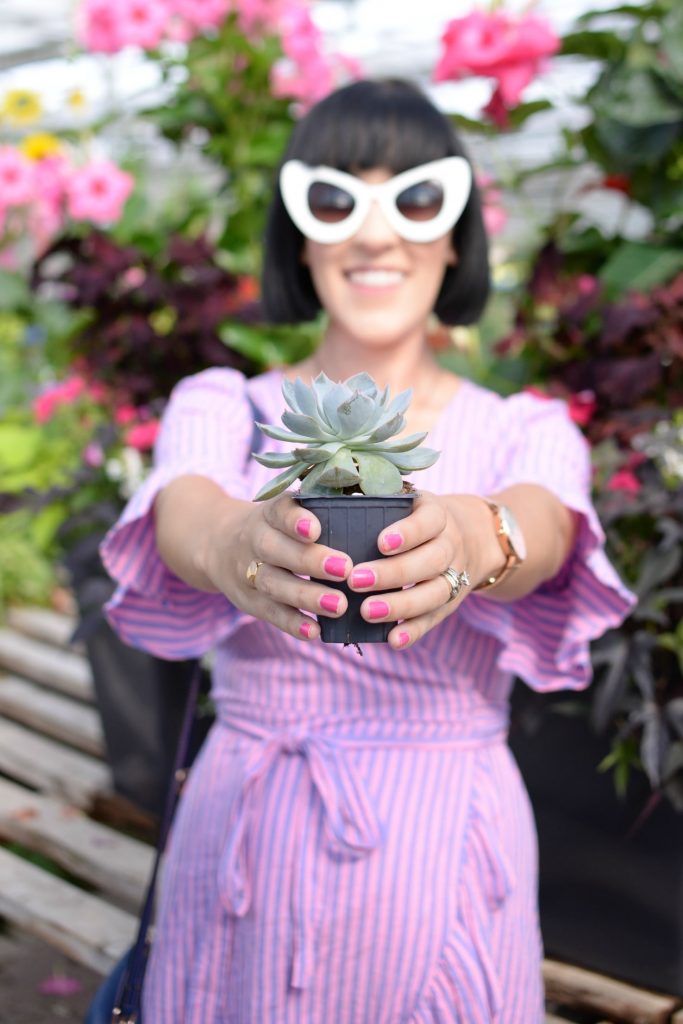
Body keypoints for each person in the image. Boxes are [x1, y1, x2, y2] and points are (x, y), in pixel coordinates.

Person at [100, 78, 634, 1023]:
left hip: (445, 844)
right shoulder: (230, 407)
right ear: (297, 233)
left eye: (416, 198)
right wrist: (235, 544)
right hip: (247, 838)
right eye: (335, 198)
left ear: (457, 233)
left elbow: (542, 523)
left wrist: (475, 535)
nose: (376, 234)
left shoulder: (521, 428)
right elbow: (186, 505)